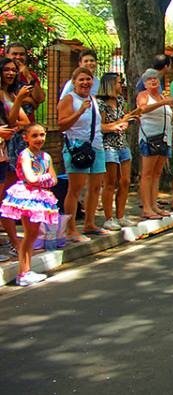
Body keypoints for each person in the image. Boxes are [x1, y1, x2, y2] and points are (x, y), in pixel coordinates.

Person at [0, 123, 58, 286]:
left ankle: (26, 270)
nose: (39, 139)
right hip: (28, 197)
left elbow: (54, 178)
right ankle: (23, 272)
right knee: (29, 235)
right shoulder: (25, 155)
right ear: (25, 138)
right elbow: (30, 178)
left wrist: (45, 180)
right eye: (35, 135)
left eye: (42, 135)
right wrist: (45, 179)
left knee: (33, 235)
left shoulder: (46, 156)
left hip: (39, 197)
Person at [57, 67, 107, 241]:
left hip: (96, 147)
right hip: (77, 147)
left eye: (88, 79)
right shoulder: (69, 99)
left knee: (95, 187)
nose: (85, 83)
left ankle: (90, 223)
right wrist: (79, 112)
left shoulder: (93, 99)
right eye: (81, 80)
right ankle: (70, 229)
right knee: (75, 190)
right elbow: (62, 125)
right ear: (74, 82)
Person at [96, 73, 139, 230]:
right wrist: (115, 126)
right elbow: (100, 126)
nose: (121, 85)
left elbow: (122, 119)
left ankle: (121, 215)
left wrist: (128, 120)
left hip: (122, 143)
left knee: (125, 180)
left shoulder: (120, 100)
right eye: (119, 83)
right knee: (110, 182)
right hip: (108, 145)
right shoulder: (100, 103)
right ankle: (109, 217)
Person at [0, 57, 32, 256]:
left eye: (13, 70)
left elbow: (22, 120)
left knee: (6, 200)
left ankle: (15, 243)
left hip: (5, 152)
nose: (11, 73)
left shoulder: (10, 93)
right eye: (6, 69)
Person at [136, 68, 173, 220]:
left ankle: (154, 204)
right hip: (150, 137)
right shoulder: (143, 95)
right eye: (150, 79)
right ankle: (146, 207)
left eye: (156, 79)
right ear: (145, 83)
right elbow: (143, 109)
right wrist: (164, 102)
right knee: (147, 173)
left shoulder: (161, 96)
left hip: (165, 138)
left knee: (157, 173)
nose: (153, 81)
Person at [5, 42, 45, 123]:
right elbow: (5, 100)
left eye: (22, 54)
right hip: (8, 125)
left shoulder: (31, 75)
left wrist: (28, 76)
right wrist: (29, 100)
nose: (18, 57)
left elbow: (40, 98)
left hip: (28, 125)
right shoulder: (3, 74)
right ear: (7, 55)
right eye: (14, 54)